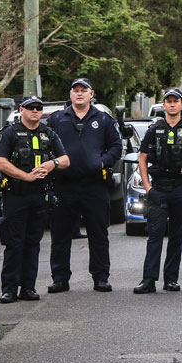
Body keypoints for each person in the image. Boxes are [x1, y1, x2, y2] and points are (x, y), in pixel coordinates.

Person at [46, 78, 122, 293]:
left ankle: (100, 277)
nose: (79, 94)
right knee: (60, 235)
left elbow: (116, 146)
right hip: (64, 184)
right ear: (70, 94)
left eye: (83, 90)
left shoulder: (103, 119)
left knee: (99, 234)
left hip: (94, 185)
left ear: (91, 94)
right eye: (75, 90)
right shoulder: (56, 119)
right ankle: (60, 278)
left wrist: (103, 161)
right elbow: (46, 144)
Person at [0, 96, 70, 303]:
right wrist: (25, 176)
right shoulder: (10, 133)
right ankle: (9, 288)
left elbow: (65, 160)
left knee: (33, 243)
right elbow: (0, 162)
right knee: (14, 242)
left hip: (39, 195)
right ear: (22, 110)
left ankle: (28, 287)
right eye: (30, 108)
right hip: (16, 195)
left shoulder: (48, 133)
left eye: (38, 108)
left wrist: (51, 164)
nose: (35, 111)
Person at [134, 89, 182, 294]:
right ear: (164, 105)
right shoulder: (153, 129)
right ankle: (149, 280)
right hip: (159, 189)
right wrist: (148, 187)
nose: (172, 105)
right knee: (154, 235)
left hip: (181, 188)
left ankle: (171, 279)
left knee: (176, 236)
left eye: (176, 101)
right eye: (169, 101)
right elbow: (143, 158)